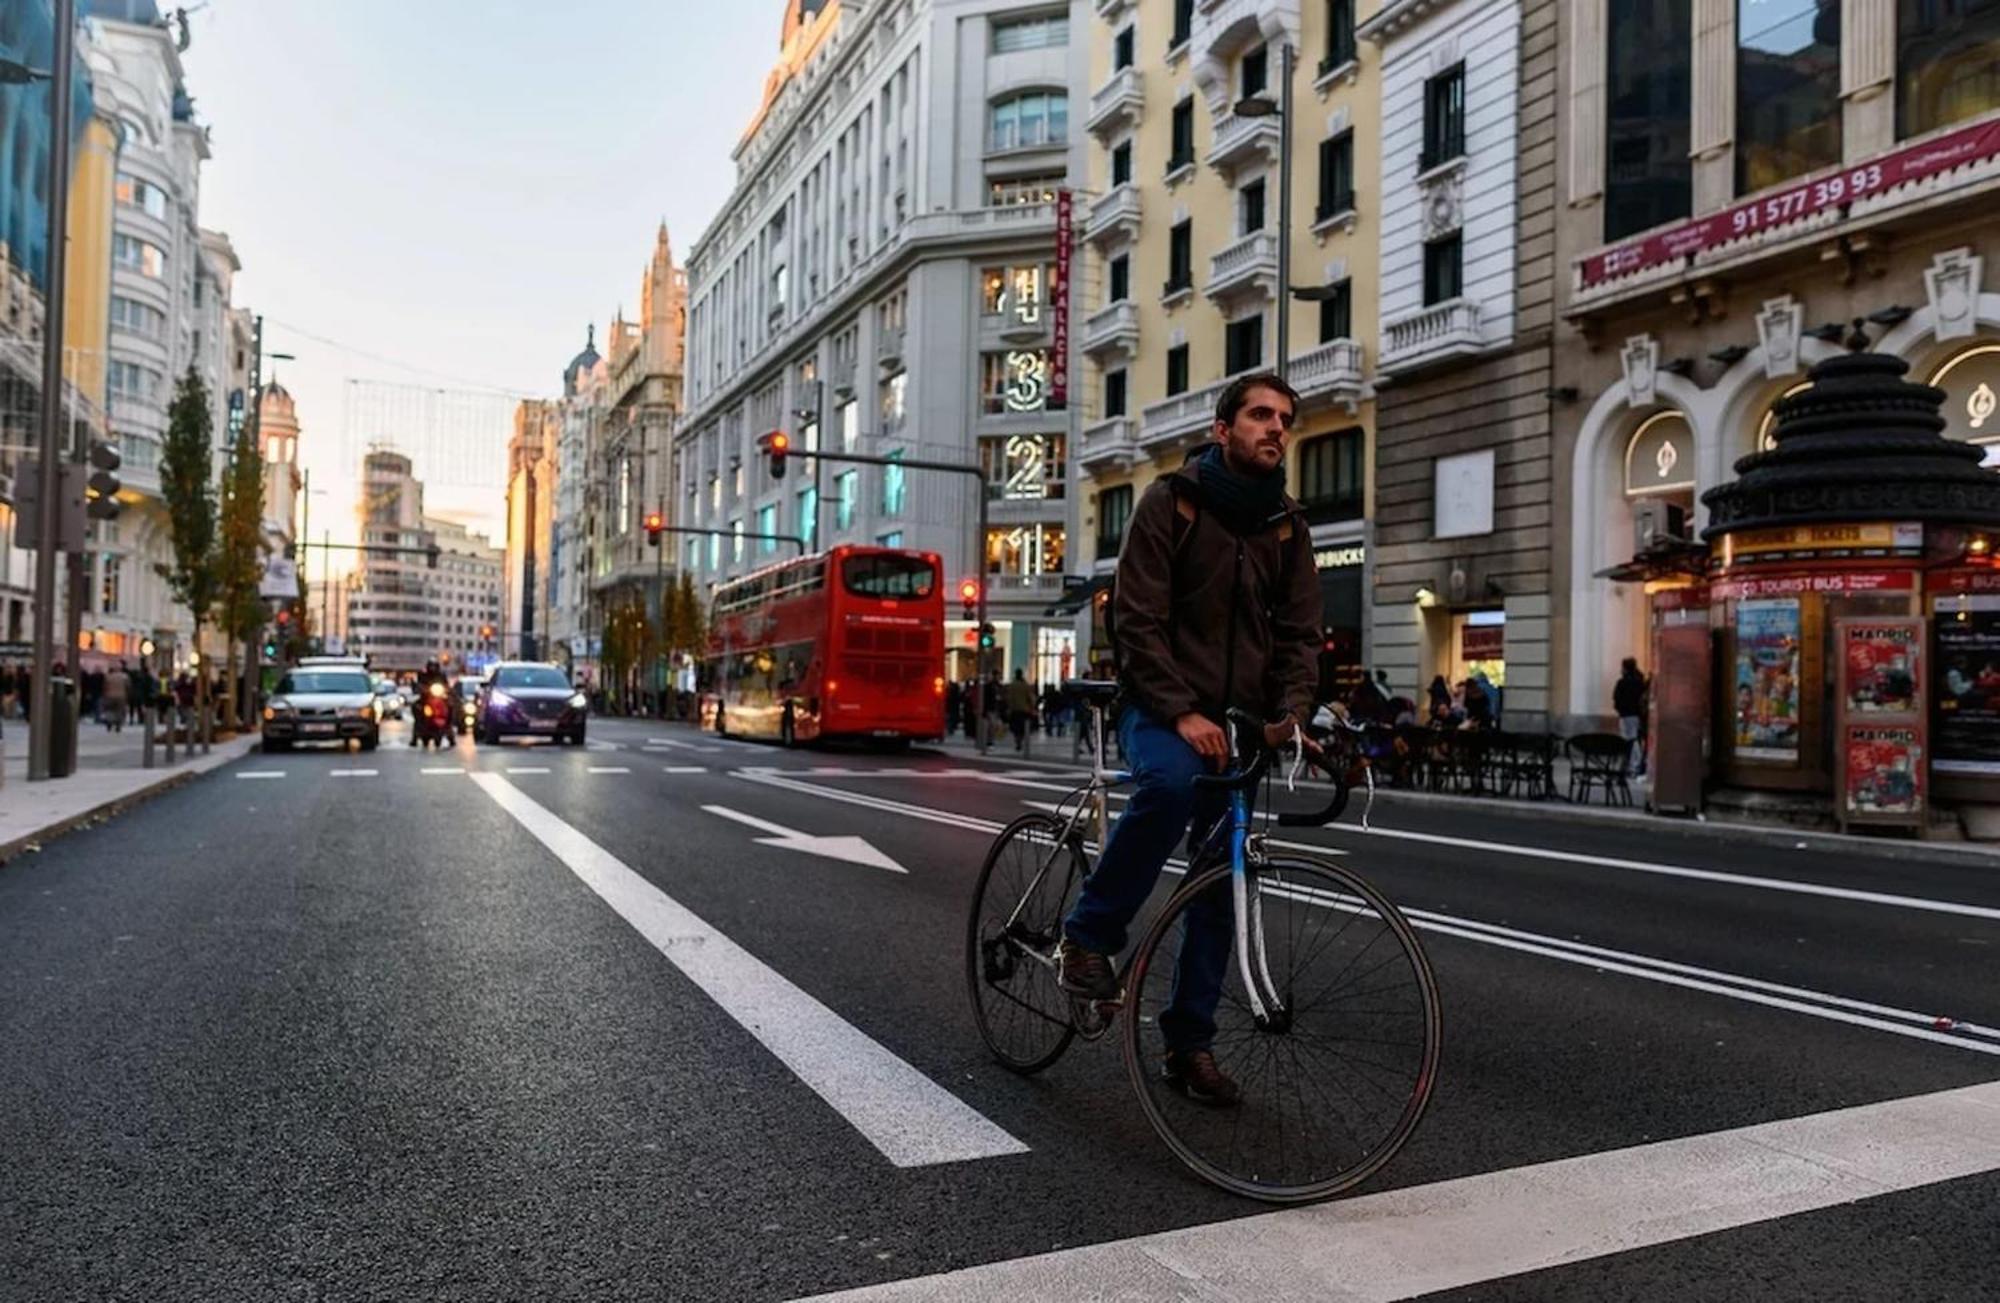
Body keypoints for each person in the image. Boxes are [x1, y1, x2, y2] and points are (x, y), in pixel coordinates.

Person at [1057, 372, 1321, 1108]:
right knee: (1169, 789)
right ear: (1221, 427)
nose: (1275, 428)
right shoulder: (1170, 503)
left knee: (1220, 881)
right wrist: (1180, 710)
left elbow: (1301, 636)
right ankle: (1088, 933)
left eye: (1285, 419)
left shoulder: (1287, 526)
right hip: (1161, 707)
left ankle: (1188, 1043)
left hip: (1238, 726)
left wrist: (1291, 714)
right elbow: (1135, 621)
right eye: (1260, 415)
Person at [1614, 657, 1649, 776]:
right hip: (1635, 714)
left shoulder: (1622, 682)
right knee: (1633, 739)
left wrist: (1619, 709)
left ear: (1625, 668)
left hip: (1625, 715)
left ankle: (1633, 765)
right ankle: (1633, 765)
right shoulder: (1638, 682)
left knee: (1629, 739)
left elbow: (1616, 698)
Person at [411, 659, 448, 744]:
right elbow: (418, 685)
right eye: (431, 666)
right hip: (426, 698)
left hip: (439, 698)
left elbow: (446, 685)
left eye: (434, 666)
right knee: (416, 707)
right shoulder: (423, 675)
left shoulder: (441, 675)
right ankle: (415, 735)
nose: (433, 668)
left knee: (450, 706)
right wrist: (421, 689)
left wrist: (447, 690)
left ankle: (449, 731)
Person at [1004, 668, 1038, 753]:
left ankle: (1017, 740)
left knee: (1015, 728)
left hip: (1015, 709)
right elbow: (1030, 698)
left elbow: (1009, 698)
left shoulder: (1012, 685)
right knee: (1023, 727)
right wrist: (1033, 707)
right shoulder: (1025, 685)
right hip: (1024, 709)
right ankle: (1020, 740)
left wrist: (1009, 707)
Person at [101, 661, 131, 733]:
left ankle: (109, 723)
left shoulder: (108, 676)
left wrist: (104, 695)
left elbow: (104, 686)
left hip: (109, 695)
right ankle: (118, 725)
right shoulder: (125, 677)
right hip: (121, 696)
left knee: (110, 710)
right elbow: (128, 687)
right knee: (119, 711)